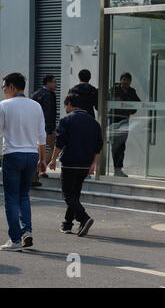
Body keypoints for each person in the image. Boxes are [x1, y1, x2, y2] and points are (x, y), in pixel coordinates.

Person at [0, 73, 47, 251]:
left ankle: (15, 240)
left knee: (11, 198)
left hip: (13, 155)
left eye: (4, 87)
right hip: (31, 155)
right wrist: (42, 159)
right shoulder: (36, 106)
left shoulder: (4, 106)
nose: (4, 91)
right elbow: (41, 135)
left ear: (11, 86)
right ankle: (26, 231)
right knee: (24, 196)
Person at [48, 93, 103, 236]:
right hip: (85, 164)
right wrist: (93, 164)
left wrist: (53, 159)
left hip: (70, 163)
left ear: (70, 104)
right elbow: (98, 146)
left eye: (66, 105)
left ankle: (84, 218)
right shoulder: (94, 122)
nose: (66, 108)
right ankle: (67, 224)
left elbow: (60, 142)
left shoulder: (66, 120)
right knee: (74, 196)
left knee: (68, 195)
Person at [109, 72, 140, 177]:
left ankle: (118, 169)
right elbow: (108, 103)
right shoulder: (113, 90)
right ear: (121, 80)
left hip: (125, 120)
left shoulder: (132, 91)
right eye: (123, 81)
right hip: (114, 120)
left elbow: (137, 104)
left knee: (121, 145)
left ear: (130, 82)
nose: (125, 84)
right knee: (115, 145)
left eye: (127, 82)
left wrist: (129, 110)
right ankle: (115, 169)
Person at [30, 74, 57, 183]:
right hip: (46, 128)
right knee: (55, 147)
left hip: (33, 127)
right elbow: (48, 114)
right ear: (48, 83)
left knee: (37, 149)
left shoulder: (35, 94)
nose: (56, 84)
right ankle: (39, 169)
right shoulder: (49, 95)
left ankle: (37, 172)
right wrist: (49, 130)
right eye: (54, 82)